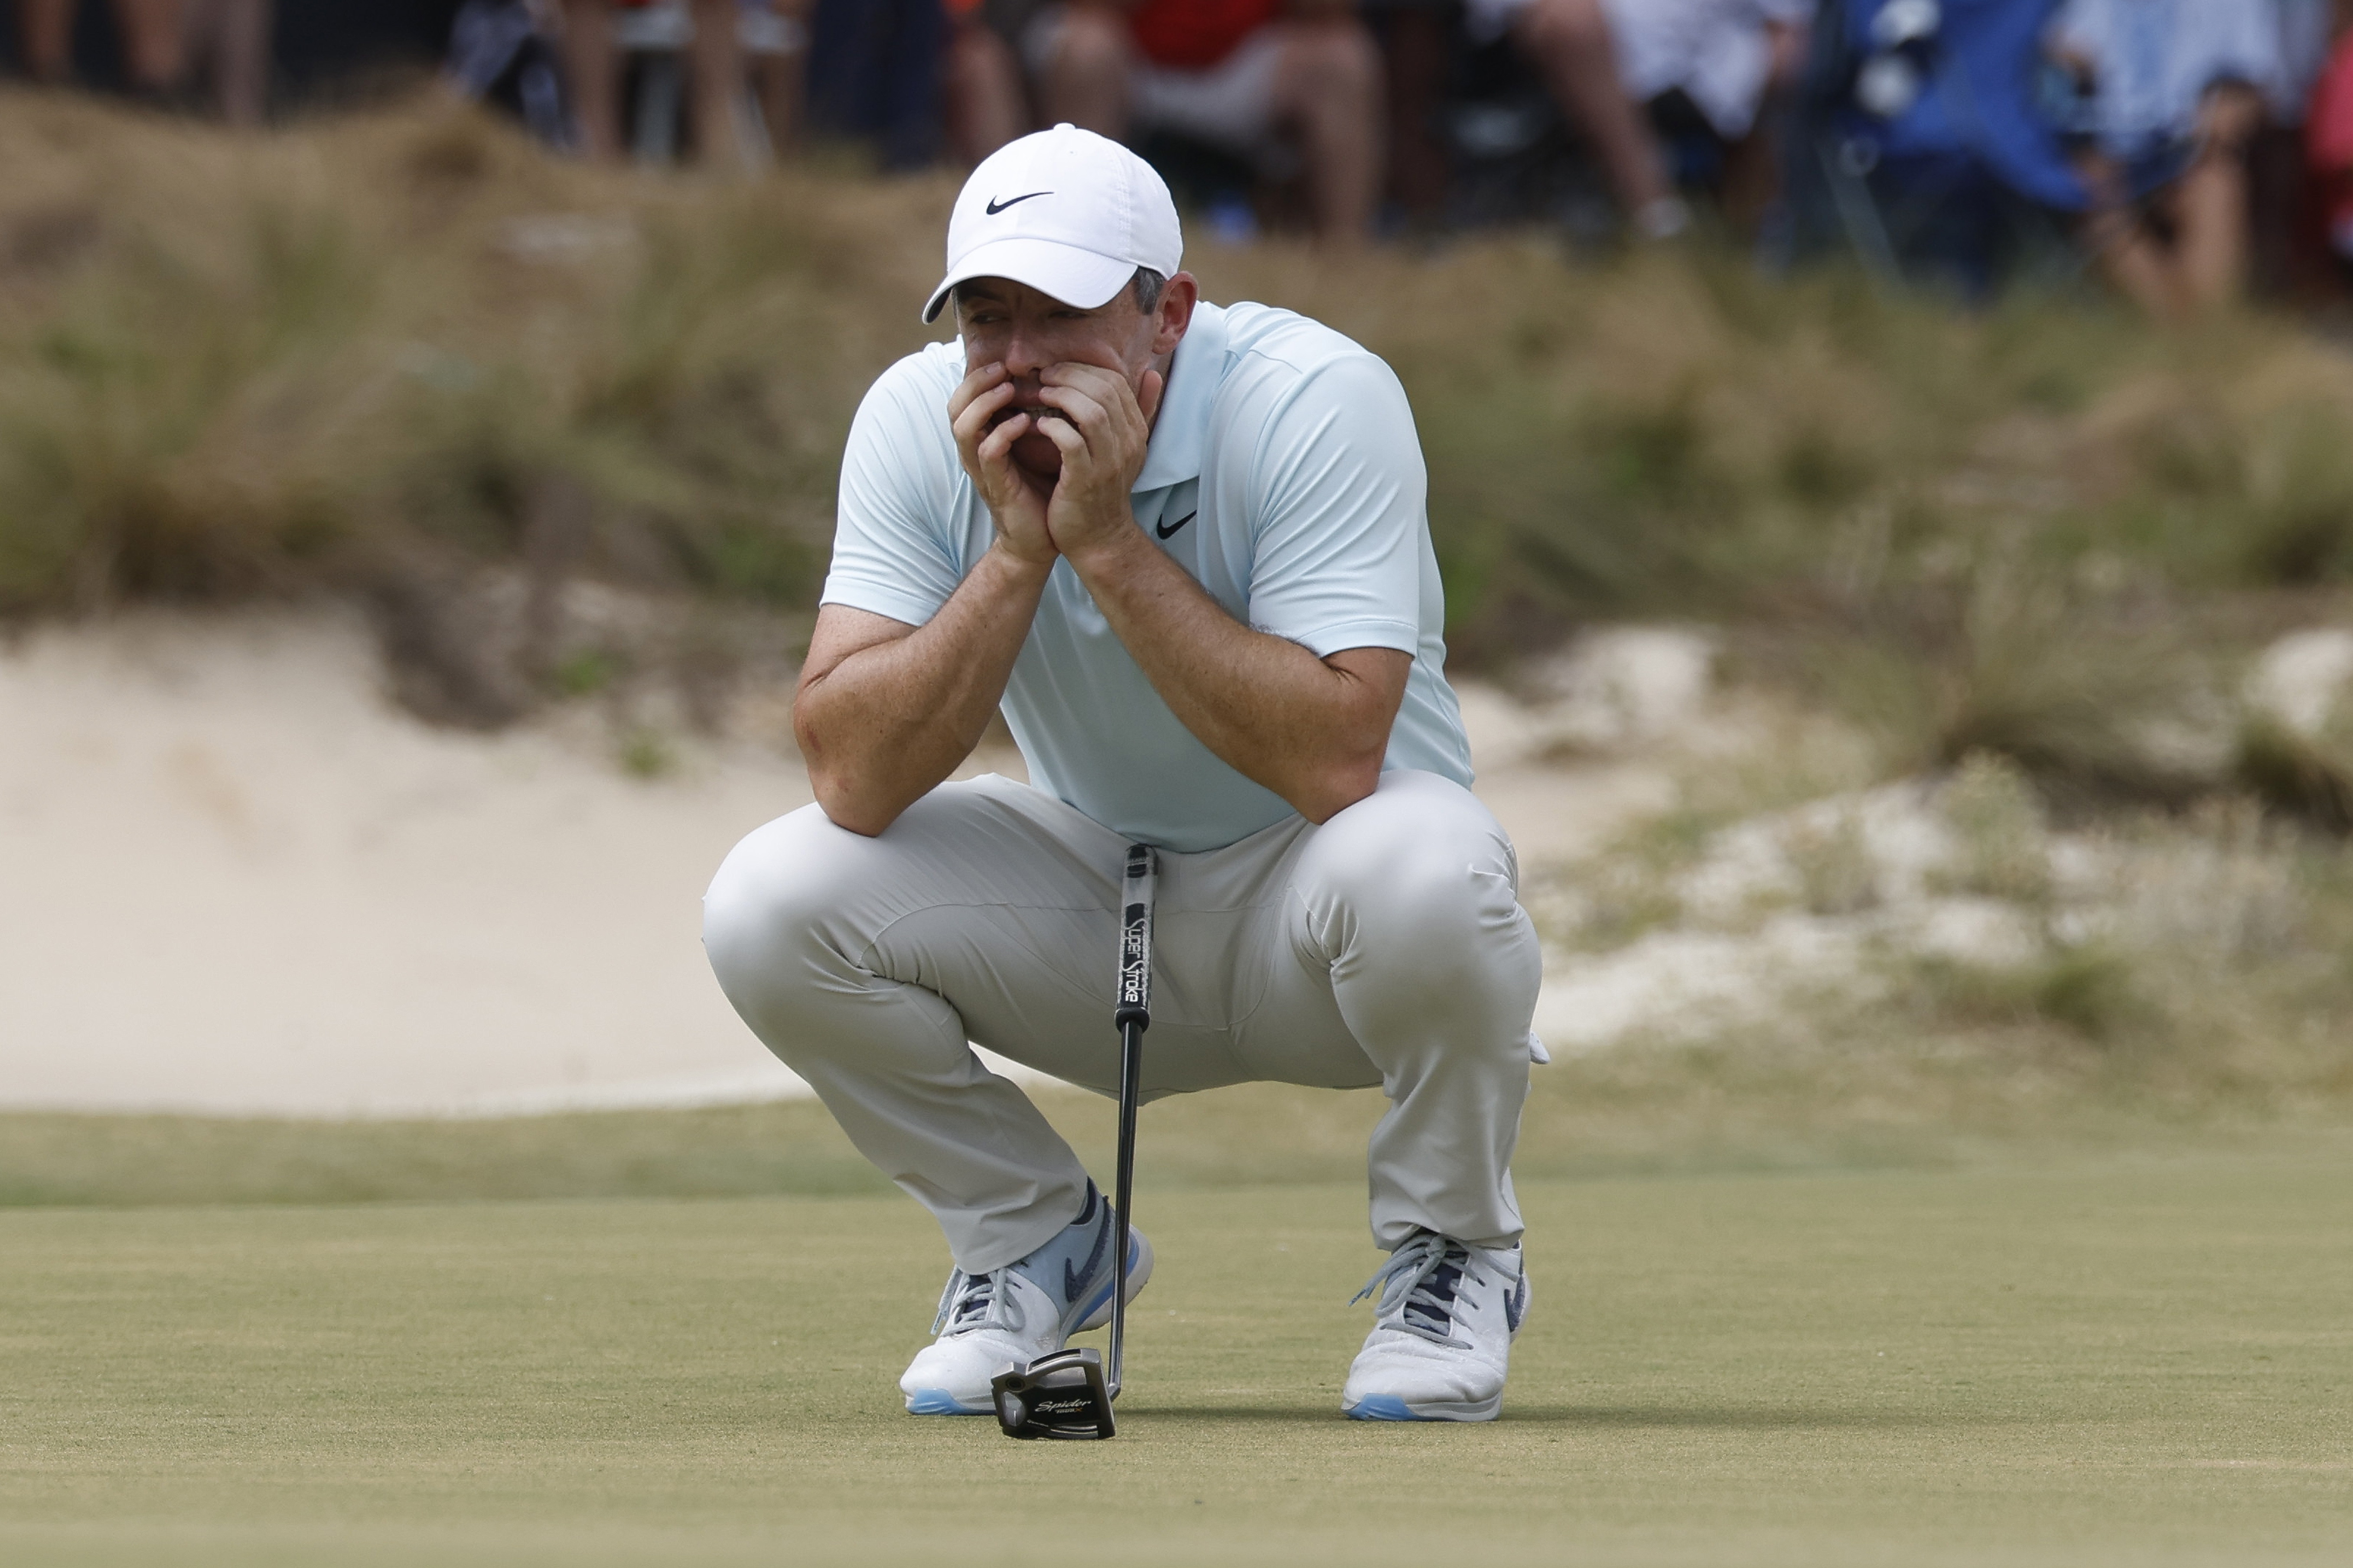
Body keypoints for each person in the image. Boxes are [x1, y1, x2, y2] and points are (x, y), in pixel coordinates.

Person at [702, 124, 1543, 1423]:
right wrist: (1013, 555)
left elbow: (1336, 757)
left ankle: (1455, 1253)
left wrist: (1105, 544)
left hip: (1330, 919)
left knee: (1426, 862)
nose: (1024, 360)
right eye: (991, 318)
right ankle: (1034, 1240)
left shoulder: (1315, 395)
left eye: (1064, 314)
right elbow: (853, 778)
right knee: (771, 898)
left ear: (1170, 314)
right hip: (1100, 908)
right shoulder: (915, 420)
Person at [1021, 0, 1384, 242]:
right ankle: (1077, 237)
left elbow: (1330, 11)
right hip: (1131, 51)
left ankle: (1345, 249)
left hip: (1246, 55)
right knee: (1085, 46)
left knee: (1343, 57)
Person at [1461, 0, 1812, 240]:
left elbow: (1787, 21)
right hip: (1591, 46)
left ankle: (1762, 240)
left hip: (1718, 45)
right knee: (1570, 25)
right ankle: (1659, 221)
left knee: (1790, 54)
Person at [2048, 0, 2288, 316]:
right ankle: (2184, 335)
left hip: (2193, 155)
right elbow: (2066, 55)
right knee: (2094, 190)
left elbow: (2259, 85)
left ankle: (2203, 331)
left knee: (2218, 183)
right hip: (2113, 153)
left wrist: (2232, 109)